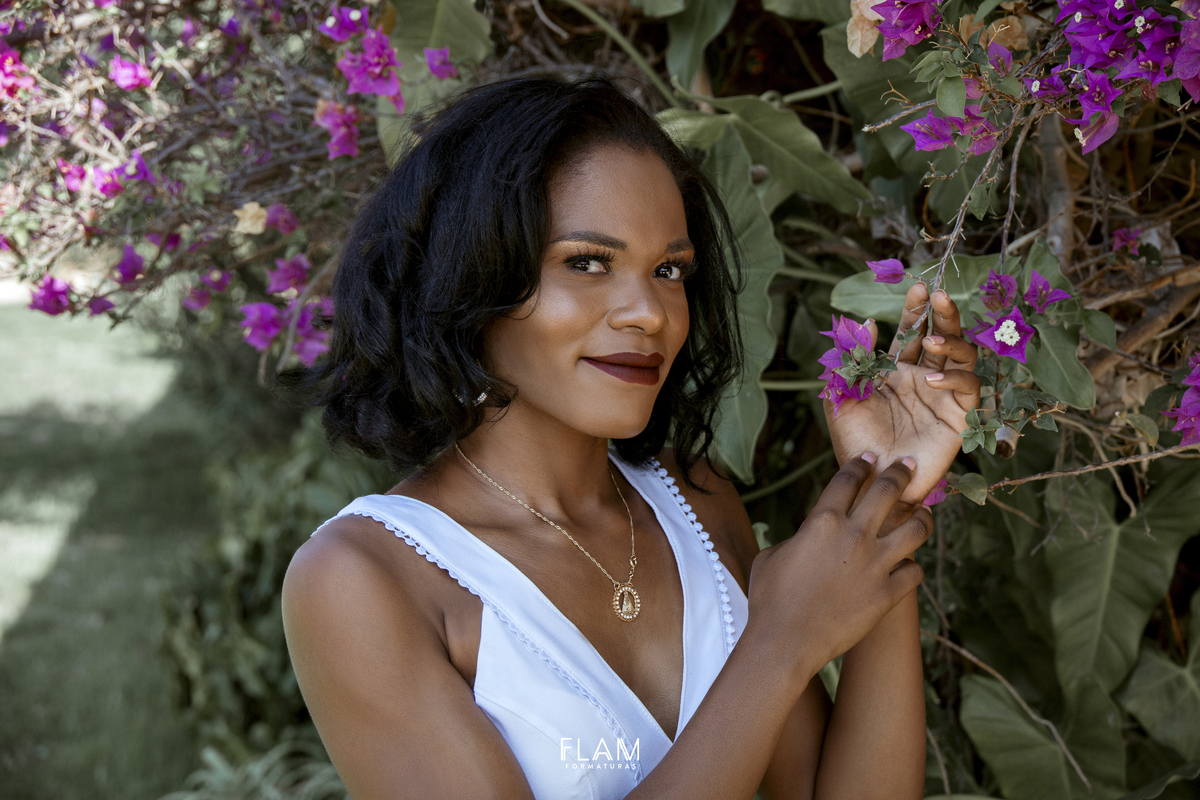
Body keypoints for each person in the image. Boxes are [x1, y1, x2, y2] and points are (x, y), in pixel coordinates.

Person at [281, 74, 980, 800]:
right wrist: (780, 641)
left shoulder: (697, 502)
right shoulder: (361, 578)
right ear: (473, 275)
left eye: (669, 270)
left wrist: (888, 493)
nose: (649, 312)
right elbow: (780, 648)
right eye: (587, 262)